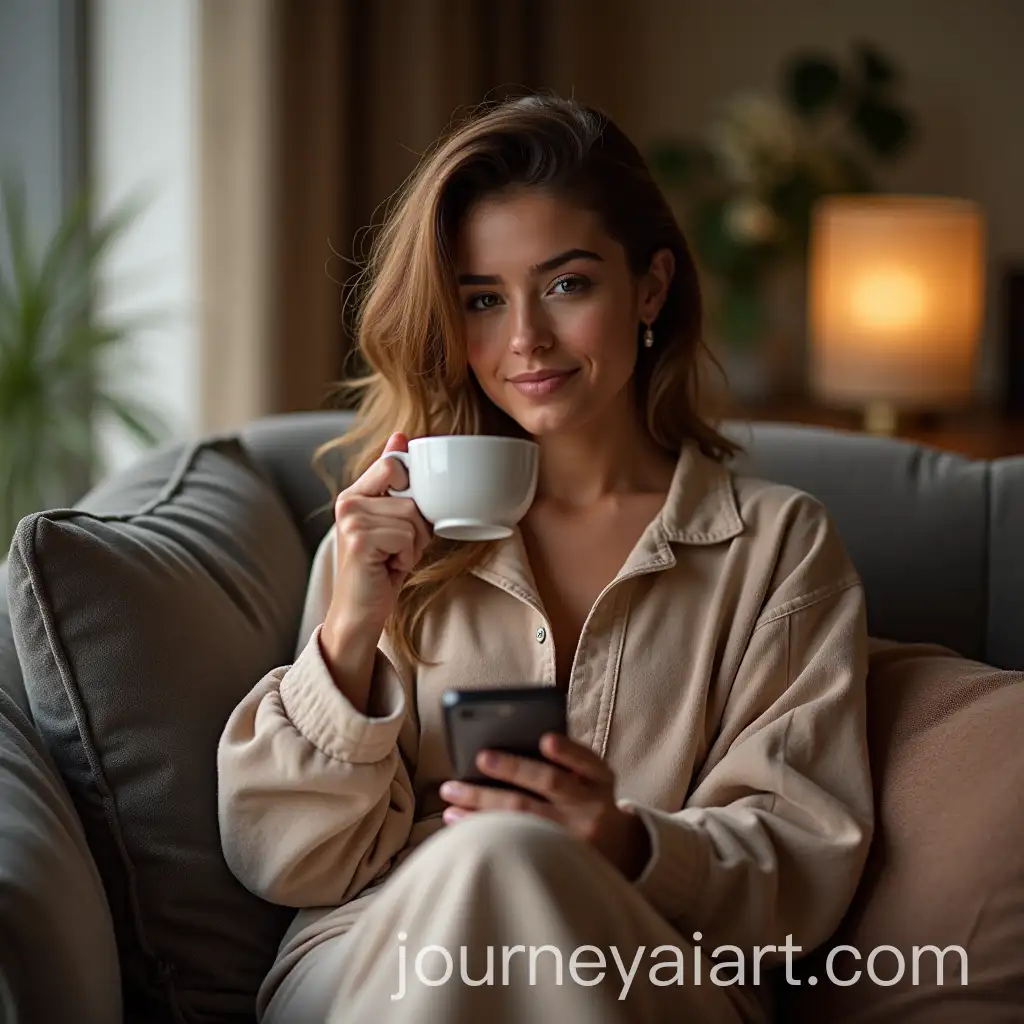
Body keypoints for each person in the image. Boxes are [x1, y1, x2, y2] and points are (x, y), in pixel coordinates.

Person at [217, 94, 873, 1023]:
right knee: (487, 859)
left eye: (567, 285)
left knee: (508, 856)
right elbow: (288, 856)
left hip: (642, 962)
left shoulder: (777, 546)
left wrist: (624, 842)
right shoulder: (381, 541)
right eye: (483, 299)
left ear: (650, 288)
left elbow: (801, 867)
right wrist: (353, 624)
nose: (524, 338)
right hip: (379, 958)